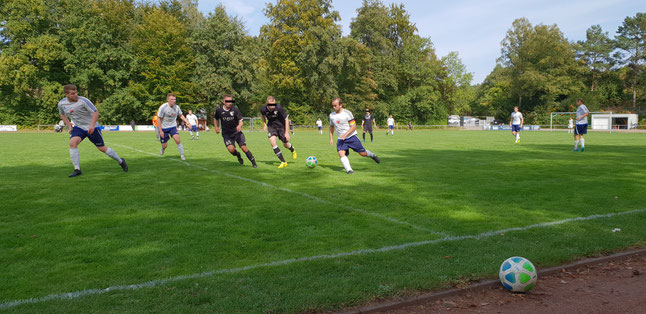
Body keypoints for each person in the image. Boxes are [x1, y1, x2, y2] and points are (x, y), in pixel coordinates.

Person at [58, 84, 128, 177]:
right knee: (72, 143)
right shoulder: (61, 103)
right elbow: (62, 114)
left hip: (92, 127)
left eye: (76, 92)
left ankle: (120, 161)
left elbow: (95, 111)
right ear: (67, 95)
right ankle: (77, 169)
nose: (76, 95)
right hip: (79, 127)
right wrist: (69, 125)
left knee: (101, 148)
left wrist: (92, 125)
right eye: (73, 93)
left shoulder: (83, 101)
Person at [329, 98, 380, 174]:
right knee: (341, 153)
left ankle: (372, 155)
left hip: (352, 137)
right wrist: (331, 138)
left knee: (363, 154)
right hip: (341, 139)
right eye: (333, 106)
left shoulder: (347, 113)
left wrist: (345, 134)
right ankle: (349, 170)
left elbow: (354, 126)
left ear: (340, 105)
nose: (334, 107)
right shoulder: (332, 115)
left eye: (335, 105)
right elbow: (331, 127)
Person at [214, 94, 258, 168]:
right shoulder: (219, 110)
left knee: (243, 147)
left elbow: (241, 120)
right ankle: (238, 155)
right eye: (228, 101)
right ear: (224, 101)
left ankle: (253, 162)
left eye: (231, 101)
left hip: (236, 132)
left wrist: (239, 125)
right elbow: (215, 118)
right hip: (226, 134)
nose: (230, 103)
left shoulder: (235, 109)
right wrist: (216, 127)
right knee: (231, 150)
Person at [260, 96, 298, 168]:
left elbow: (286, 119)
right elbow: (262, 115)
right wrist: (264, 124)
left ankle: (293, 150)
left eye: (273, 104)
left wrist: (286, 133)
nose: (272, 106)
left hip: (281, 127)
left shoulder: (279, 107)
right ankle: (283, 162)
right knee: (272, 142)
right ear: (267, 103)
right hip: (271, 126)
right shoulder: (263, 109)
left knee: (285, 145)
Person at [157, 93, 191, 160]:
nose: (174, 101)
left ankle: (182, 155)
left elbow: (181, 115)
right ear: (168, 100)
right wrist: (160, 131)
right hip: (164, 128)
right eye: (172, 99)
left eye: (175, 99)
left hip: (172, 126)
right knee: (165, 145)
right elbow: (158, 119)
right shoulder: (163, 107)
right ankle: (163, 148)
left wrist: (187, 122)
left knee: (178, 140)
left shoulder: (177, 107)